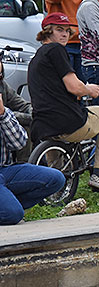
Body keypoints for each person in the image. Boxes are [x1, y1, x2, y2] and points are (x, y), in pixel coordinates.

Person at [28, 13, 99, 195]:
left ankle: (54, 190)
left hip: (43, 125)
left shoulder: (36, 58)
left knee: (55, 164)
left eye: (67, 31)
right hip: (67, 121)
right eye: (59, 30)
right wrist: (89, 89)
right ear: (47, 32)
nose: (64, 34)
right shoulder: (55, 50)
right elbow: (74, 87)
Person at [0, 90, 65, 224]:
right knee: (13, 214)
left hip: (5, 170)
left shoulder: (4, 110)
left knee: (56, 178)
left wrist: (2, 114)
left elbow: (19, 143)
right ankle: (8, 207)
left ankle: (7, 202)